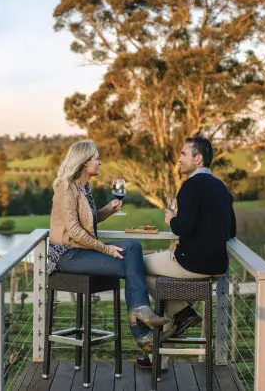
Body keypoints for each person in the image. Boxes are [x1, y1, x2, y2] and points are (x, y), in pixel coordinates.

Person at [48, 139, 171, 352]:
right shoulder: (66, 188)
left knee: (133, 247)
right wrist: (106, 249)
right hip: (67, 255)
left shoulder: (84, 188)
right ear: (84, 162)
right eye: (96, 158)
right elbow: (75, 230)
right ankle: (140, 329)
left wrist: (109, 209)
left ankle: (140, 311)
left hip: (82, 250)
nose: (100, 162)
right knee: (132, 266)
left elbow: (89, 220)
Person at [136, 136, 237, 370]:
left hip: (190, 264)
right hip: (217, 267)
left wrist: (172, 218)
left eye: (183, 154)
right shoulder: (221, 187)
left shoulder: (191, 185)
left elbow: (182, 228)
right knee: (165, 292)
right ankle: (159, 359)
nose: (179, 159)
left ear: (198, 158)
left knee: (135, 266)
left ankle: (180, 311)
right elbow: (231, 230)